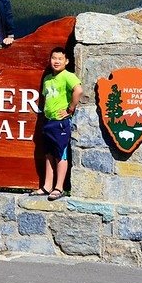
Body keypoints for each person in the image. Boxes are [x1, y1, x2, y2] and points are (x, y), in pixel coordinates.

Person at [29, 47, 83, 201]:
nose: (56, 61)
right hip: (48, 121)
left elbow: (78, 90)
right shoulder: (47, 79)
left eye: (60, 58)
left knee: (60, 154)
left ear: (66, 61)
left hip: (61, 123)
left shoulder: (68, 76)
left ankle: (59, 187)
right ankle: (47, 186)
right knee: (49, 154)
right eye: (54, 58)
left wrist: (70, 109)